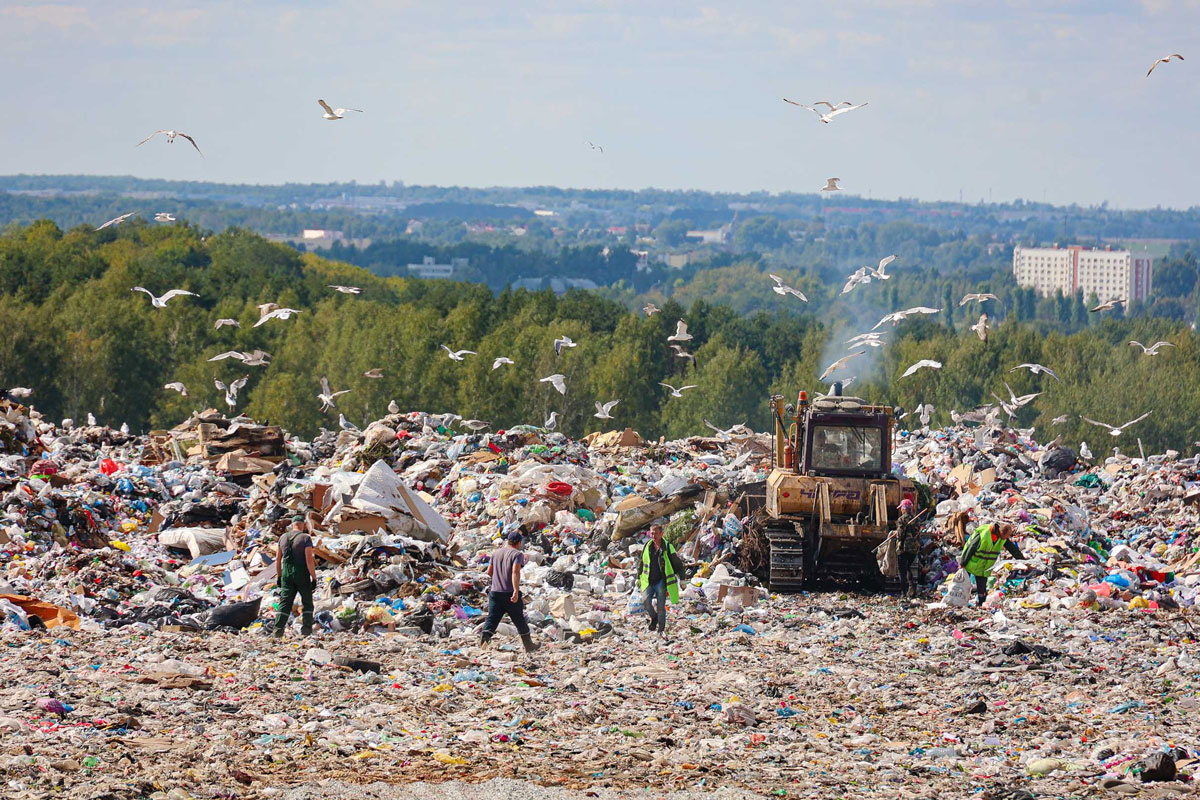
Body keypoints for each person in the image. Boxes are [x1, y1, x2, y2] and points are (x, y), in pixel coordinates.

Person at [481, 531, 539, 652]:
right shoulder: (517, 554)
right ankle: (529, 646)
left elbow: (489, 572)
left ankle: (483, 643)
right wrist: (516, 591)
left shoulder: (496, 553)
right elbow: (515, 572)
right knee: (519, 620)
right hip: (509, 593)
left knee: (492, 619)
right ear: (519, 543)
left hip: (495, 592)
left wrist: (498, 580)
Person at [637, 524, 685, 637]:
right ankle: (654, 618)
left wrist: (682, 579)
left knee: (660, 607)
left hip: (661, 581)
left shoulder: (667, 547)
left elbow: (677, 563)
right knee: (646, 602)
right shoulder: (647, 546)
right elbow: (642, 562)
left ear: (662, 534)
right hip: (648, 580)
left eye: (656, 533)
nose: (653, 536)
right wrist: (638, 577)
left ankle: (661, 630)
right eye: (652, 533)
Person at [960, 521, 1023, 606]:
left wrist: (1023, 561)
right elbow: (970, 547)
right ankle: (959, 602)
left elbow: (1011, 548)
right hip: (971, 563)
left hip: (983, 567)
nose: (1005, 539)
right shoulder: (984, 533)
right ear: (1000, 533)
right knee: (962, 585)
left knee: (982, 591)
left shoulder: (1002, 537)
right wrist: (962, 563)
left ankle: (981, 605)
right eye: (1005, 537)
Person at [272, 515, 316, 638]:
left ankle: (277, 631)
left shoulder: (283, 538)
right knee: (307, 602)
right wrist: (314, 578)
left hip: (286, 574)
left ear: (292, 525)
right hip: (301, 574)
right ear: (304, 525)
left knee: (285, 603)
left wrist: (279, 576)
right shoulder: (305, 538)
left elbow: (278, 560)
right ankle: (306, 631)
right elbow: (309, 561)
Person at [895, 499, 922, 596]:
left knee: (902, 571)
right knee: (908, 568)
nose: (901, 510)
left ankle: (903, 592)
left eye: (901, 508)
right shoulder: (917, 519)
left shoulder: (901, 519)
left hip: (903, 548)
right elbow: (918, 534)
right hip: (914, 548)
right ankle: (912, 590)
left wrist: (896, 533)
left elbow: (900, 535)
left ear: (904, 509)